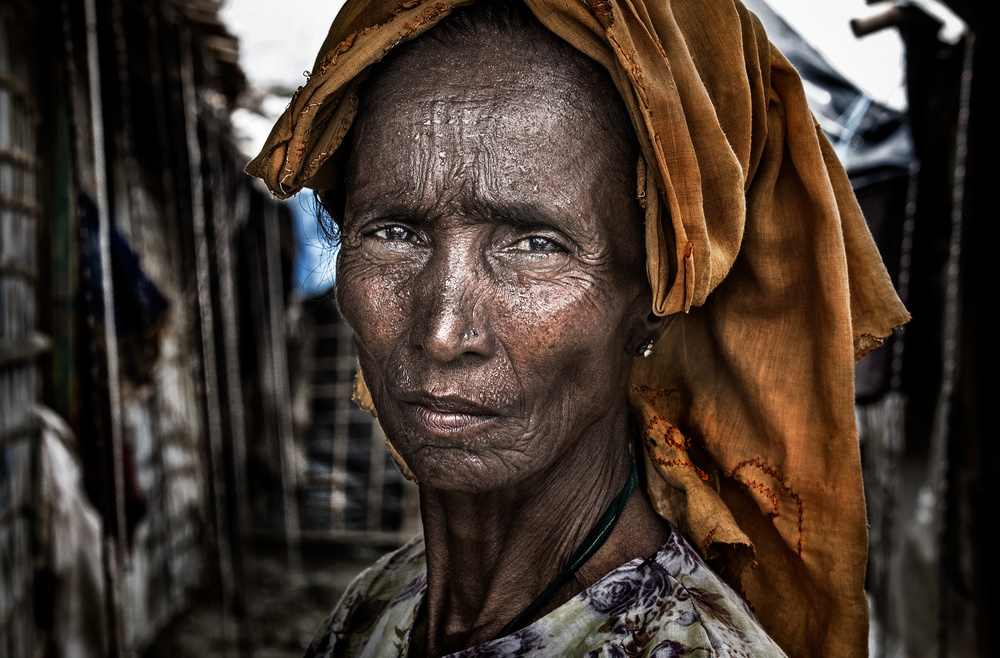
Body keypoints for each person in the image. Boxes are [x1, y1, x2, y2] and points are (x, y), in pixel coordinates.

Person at [247, 1, 909, 656]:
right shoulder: (379, 603)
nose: (443, 333)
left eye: (536, 245)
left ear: (654, 295)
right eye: (394, 233)